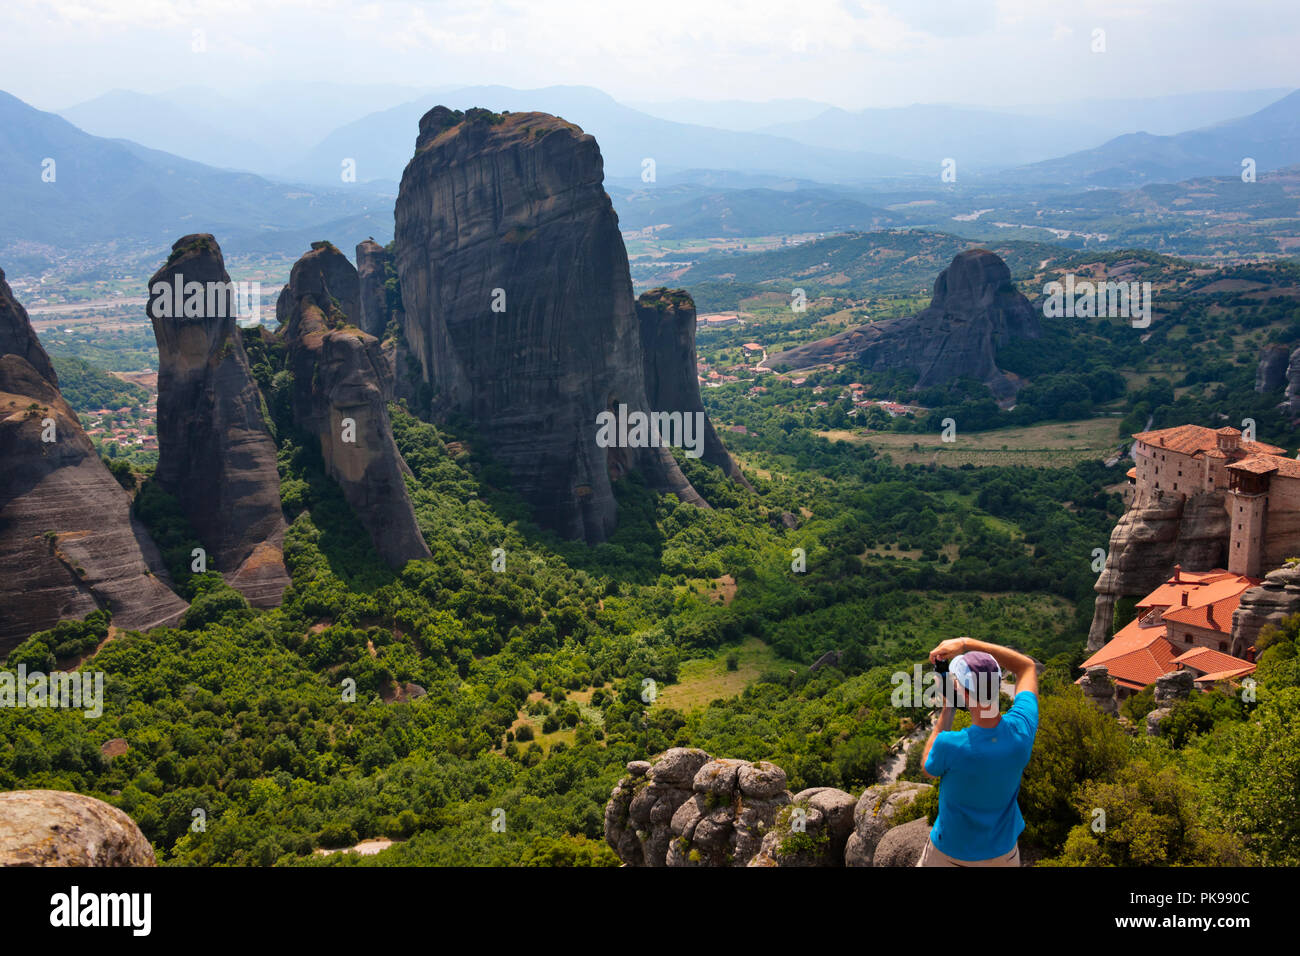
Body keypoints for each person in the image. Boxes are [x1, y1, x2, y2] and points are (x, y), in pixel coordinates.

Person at [916, 636, 1039, 867]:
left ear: (963, 693)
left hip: (950, 853)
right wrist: (965, 643)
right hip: (1003, 854)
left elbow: (928, 768)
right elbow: (1026, 666)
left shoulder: (949, 744)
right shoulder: (1022, 729)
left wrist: (947, 709)